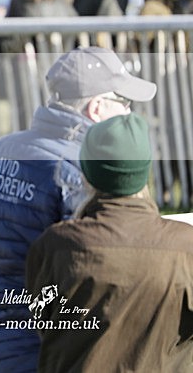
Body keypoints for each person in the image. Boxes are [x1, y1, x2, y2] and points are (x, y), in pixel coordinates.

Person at [0, 46, 157, 373]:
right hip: (67, 357)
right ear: (97, 108)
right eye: (124, 103)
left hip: (3, 354)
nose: (128, 112)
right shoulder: (86, 171)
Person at [26, 112, 193, 372]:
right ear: (144, 170)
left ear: (86, 175)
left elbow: (43, 322)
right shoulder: (185, 246)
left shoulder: (55, 246)